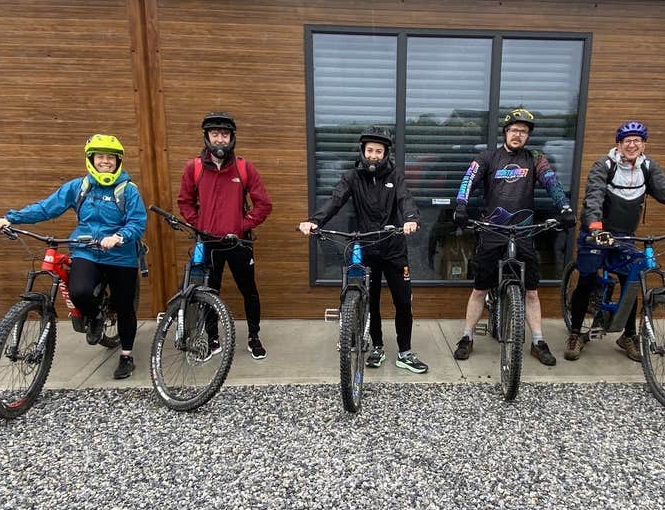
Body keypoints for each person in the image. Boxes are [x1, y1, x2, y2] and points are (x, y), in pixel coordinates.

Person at [0, 134, 147, 379]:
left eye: (110, 158)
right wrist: (11, 218)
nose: (105, 162)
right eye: (100, 157)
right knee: (79, 291)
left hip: (119, 255)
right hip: (86, 250)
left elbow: (137, 222)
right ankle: (94, 316)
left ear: (118, 161)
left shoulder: (128, 190)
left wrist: (119, 236)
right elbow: (46, 208)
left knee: (124, 305)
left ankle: (126, 355)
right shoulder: (78, 187)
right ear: (91, 160)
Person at [565, 120, 665, 362]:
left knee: (630, 281)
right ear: (618, 144)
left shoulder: (648, 168)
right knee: (587, 279)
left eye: (637, 141)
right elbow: (594, 196)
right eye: (627, 141)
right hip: (596, 232)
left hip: (625, 235)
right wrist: (596, 227)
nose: (632, 145)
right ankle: (576, 332)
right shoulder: (605, 165)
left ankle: (628, 335)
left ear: (644, 145)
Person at [451, 107, 576, 366]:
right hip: (492, 231)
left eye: (523, 131)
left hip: (523, 231)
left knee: (531, 292)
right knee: (479, 289)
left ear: (528, 136)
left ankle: (538, 341)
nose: (518, 135)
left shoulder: (535, 159)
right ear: (505, 132)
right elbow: (468, 180)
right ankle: (467, 336)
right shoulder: (488, 157)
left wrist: (564, 208)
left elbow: (551, 182)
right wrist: (461, 205)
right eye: (514, 130)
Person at [299, 126, 428, 374]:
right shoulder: (352, 177)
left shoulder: (395, 176)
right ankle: (377, 346)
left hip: (393, 247)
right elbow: (335, 200)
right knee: (373, 301)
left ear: (386, 153)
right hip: (366, 245)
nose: (374, 156)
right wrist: (316, 221)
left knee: (402, 301)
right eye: (370, 150)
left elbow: (405, 199)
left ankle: (405, 352)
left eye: (379, 151)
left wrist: (411, 218)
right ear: (362, 151)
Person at [176, 112, 273, 360]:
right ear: (207, 136)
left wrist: (243, 224)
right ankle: (212, 338)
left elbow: (263, 204)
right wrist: (200, 225)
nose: (220, 139)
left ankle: (253, 336)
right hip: (208, 242)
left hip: (238, 241)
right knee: (209, 292)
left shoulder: (243, 167)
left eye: (224, 135)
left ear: (232, 138)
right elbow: (185, 202)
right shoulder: (194, 167)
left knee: (249, 290)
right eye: (215, 134)